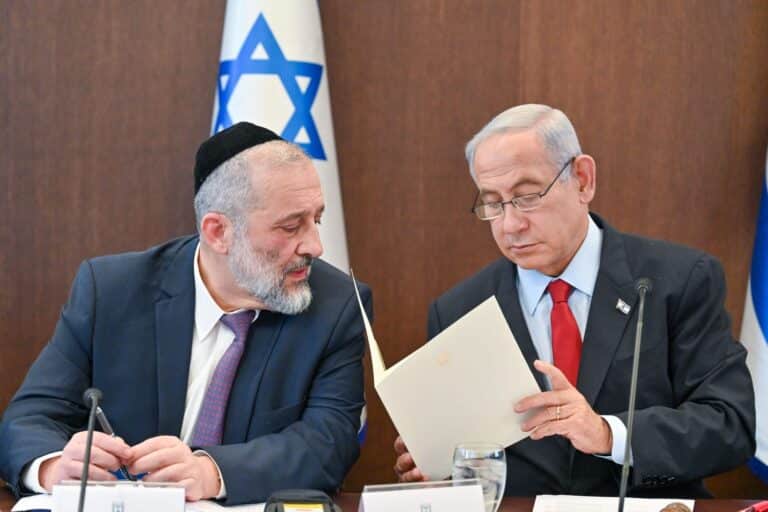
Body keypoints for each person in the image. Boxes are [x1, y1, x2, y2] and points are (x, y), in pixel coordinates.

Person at [393, 104, 755, 497]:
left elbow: (730, 425)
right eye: (493, 203)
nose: (510, 225)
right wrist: (436, 467)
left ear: (582, 180)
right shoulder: (459, 310)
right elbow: (467, 460)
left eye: (527, 196)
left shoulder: (678, 281)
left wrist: (608, 434)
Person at [0, 123, 372, 505]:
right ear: (218, 232)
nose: (315, 246)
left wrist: (211, 472)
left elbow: (328, 444)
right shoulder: (111, 291)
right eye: (291, 227)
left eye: (316, 220)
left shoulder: (336, 307)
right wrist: (54, 466)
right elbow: (27, 419)